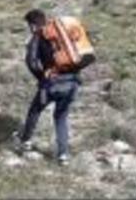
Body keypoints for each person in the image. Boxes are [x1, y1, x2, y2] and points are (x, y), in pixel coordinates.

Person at [16, 9, 88, 166]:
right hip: (72, 83)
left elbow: (32, 62)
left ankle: (25, 141)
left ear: (33, 25)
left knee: (35, 110)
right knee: (61, 118)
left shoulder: (38, 36)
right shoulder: (61, 33)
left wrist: (42, 77)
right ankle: (63, 154)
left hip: (52, 83)